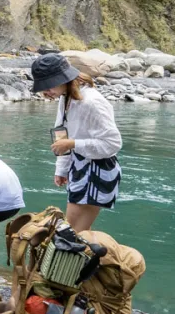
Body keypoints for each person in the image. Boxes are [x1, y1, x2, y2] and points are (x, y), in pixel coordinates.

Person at [31, 54, 122, 232]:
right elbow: (61, 134)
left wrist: (73, 144)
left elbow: (113, 143)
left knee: (73, 234)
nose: (45, 92)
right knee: (77, 234)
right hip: (79, 165)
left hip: (97, 168)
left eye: (48, 85)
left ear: (64, 79)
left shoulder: (92, 102)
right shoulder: (66, 97)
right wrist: (61, 169)